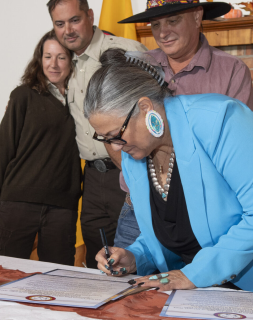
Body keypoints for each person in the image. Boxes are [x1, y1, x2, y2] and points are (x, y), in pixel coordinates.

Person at [87, 49, 253, 303]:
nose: (115, 148)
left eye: (116, 135)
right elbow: (173, 226)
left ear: (146, 108)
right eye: (106, 139)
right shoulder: (135, 152)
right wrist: (136, 255)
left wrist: (194, 274)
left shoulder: (223, 120)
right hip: (220, 278)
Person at [114, 0, 253, 248]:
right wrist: (131, 173)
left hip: (205, 214)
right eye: (155, 24)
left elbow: (241, 148)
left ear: (197, 16)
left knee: (196, 285)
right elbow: (112, 129)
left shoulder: (232, 71)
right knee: (127, 281)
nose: (162, 32)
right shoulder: (136, 67)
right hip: (140, 210)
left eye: (173, 20)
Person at [46, 0, 148, 268]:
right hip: (92, 177)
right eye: (59, 23)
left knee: (133, 250)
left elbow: (156, 109)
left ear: (90, 16)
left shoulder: (125, 52)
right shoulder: (65, 65)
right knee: (98, 255)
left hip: (128, 168)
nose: (67, 29)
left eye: (74, 20)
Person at [0, 30, 82, 266]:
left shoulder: (83, 100)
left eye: (61, 57)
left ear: (72, 60)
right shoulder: (22, 96)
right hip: (18, 203)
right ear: (39, 60)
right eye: (48, 56)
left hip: (62, 208)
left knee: (59, 281)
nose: (54, 64)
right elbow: (2, 151)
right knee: (5, 276)